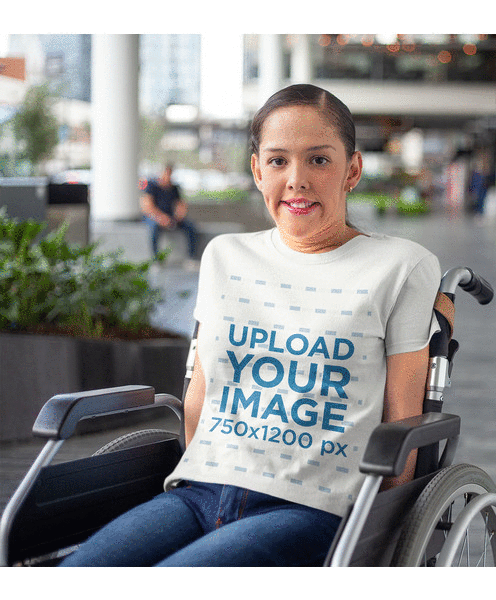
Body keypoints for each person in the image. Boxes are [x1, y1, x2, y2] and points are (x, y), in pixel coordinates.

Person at [60, 84, 441, 567]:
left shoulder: (402, 266)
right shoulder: (225, 256)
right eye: (279, 161)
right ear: (258, 170)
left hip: (309, 509)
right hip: (199, 493)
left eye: (319, 160)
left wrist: (367, 535)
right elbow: (200, 392)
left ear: (353, 170)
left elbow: (402, 423)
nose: (297, 180)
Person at [140, 164, 198, 262]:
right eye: (166, 173)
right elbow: (148, 207)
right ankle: (156, 259)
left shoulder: (174, 188)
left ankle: (191, 258)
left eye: (170, 174)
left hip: (171, 217)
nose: (168, 177)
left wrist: (179, 215)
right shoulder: (152, 186)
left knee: (190, 227)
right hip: (155, 217)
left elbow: (181, 204)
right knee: (153, 228)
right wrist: (161, 218)